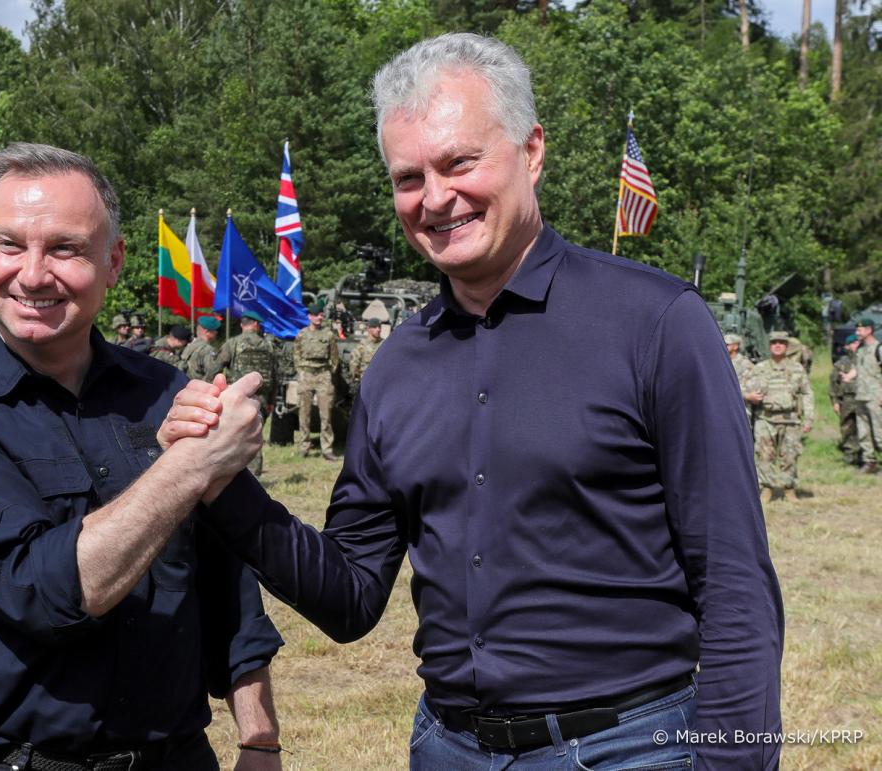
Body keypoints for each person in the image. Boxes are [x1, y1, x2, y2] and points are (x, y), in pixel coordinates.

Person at [166, 33, 783, 770]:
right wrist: (221, 483)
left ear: (531, 151)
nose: (434, 198)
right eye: (408, 177)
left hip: (630, 747)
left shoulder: (655, 323)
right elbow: (350, 595)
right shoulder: (397, 365)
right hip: (449, 748)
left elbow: (736, 585)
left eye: (459, 162)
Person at [0, 143, 283, 771]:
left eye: (65, 248)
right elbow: (37, 591)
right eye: (9, 244)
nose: (33, 274)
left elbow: (227, 586)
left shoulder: (168, 393)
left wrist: (259, 738)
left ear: (113, 261)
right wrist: (187, 468)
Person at [747, 331, 814, 503]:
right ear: (769, 346)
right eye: (774, 342)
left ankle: (788, 488)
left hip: (790, 419)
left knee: (790, 455)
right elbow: (743, 388)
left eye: (781, 343)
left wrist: (809, 418)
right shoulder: (759, 368)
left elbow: (807, 393)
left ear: (787, 346)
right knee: (764, 456)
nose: (777, 345)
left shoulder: (797, 368)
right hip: (765, 419)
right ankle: (767, 489)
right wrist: (749, 396)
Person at [212, 311, 276, 476]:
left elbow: (216, 367)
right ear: (256, 325)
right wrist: (271, 400)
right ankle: (255, 472)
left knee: (234, 435)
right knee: (255, 433)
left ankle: (237, 472)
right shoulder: (268, 345)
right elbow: (275, 375)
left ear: (242, 325)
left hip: (237, 398)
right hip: (262, 398)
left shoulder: (232, 343)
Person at [293, 302, 339, 460]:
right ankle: (304, 446)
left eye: (321, 315)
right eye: (317, 315)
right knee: (304, 413)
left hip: (323, 375)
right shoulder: (302, 334)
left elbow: (334, 357)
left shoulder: (329, 335)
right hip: (306, 375)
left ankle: (327, 448)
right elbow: (296, 355)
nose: (320, 317)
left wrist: (328, 372)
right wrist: (301, 371)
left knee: (326, 414)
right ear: (310, 316)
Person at [843, 317, 882, 473]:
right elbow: (857, 368)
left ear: (869, 330)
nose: (857, 332)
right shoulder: (860, 349)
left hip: (876, 398)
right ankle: (869, 462)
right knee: (864, 432)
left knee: (880, 432)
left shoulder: (879, 348)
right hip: (861, 396)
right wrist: (848, 376)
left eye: (859, 330)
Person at [830, 334, 861, 466]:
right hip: (847, 399)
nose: (856, 345)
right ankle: (850, 454)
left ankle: (865, 455)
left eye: (857, 342)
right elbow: (834, 384)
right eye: (853, 343)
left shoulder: (865, 360)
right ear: (847, 346)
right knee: (848, 427)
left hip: (863, 398)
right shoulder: (841, 363)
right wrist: (835, 401)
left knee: (865, 427)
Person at [725, 332, 754, 427]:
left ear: (736, 346)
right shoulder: (720, 362)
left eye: (727, 344)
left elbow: (749, 389)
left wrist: (745, 395)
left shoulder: (745, 364)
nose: (724, 346)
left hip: (740, 409)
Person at [348, 318, 385, 387]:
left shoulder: (385, 345)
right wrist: (358, 380)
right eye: (375, 327)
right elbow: (354, 365)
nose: (378, 329)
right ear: (369, 329)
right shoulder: (362, 346)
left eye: (379, 327)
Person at [182, 316, 221, 382]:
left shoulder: (189, 347)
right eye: (214, 330)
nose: (216, 332)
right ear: (207, 332)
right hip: (200, 386)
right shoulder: (208, 350)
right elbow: (212, 373)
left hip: (187, 385)